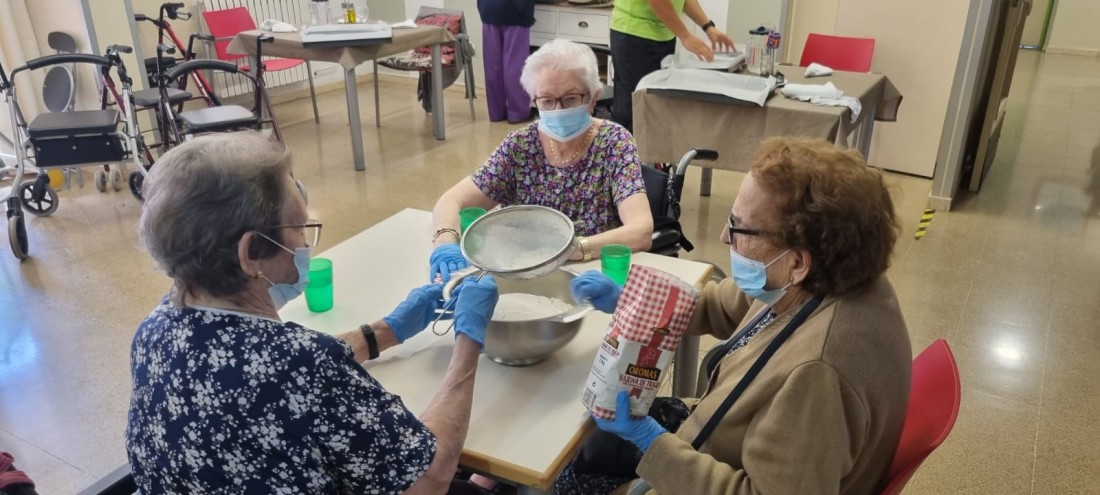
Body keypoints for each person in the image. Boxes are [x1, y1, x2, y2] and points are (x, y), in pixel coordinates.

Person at [126, 132, 500, 494]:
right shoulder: (304, 365)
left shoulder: (154, 328)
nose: (305, 243)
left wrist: (384, 332)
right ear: (250, 252)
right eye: (298, 227)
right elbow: (427, 481)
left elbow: (261, 374)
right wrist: (468, 339)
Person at [565, 137, 913, 494]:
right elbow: (721, 304)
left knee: (566, 475)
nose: (722, 236)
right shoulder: (827, 272)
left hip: (713, 471)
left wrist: (651, 442)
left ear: (797, 262)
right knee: (583, 447)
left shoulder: (818, 375)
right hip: (718, 439)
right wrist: (631, 301)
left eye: (738, 227)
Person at [430, 39, 653, 282]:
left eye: (570, 99)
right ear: (534, 100)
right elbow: (451, 201)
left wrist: (572, 249)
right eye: (547, 100)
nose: (558, 109)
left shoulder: (615, 143)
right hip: (522, 271)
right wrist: (445, 241)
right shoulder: (521, 145)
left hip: (591, 277)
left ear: (593, 98)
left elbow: (641, 231)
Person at [609, 0, 735, 132]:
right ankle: (623, 144)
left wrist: (708, 27)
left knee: (657, 107)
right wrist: (685, 36)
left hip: (664, 35)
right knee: (634, 110)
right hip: (634, 34)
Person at [477, 0, 535, 123]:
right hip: (515, 10)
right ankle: (518, 113)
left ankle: (496, 112)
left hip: (488, 8)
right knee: (514, 64)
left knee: (492, 65)